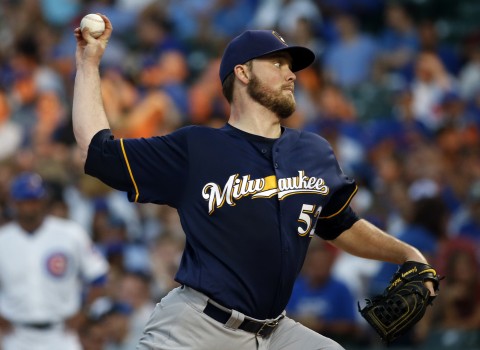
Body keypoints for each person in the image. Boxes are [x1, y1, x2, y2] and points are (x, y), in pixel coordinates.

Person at [73, 15, 437, 350]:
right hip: (197, 326)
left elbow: (339, 224)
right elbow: (97, 151)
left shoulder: (313, 151)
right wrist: (88, 63)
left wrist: (407, 254)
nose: (291, 74)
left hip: (275, 332)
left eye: (291, 67)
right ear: (243, 73)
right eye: (277, 64)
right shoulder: (197, 148)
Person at [0, 172, 110, 350]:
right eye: (25, 201)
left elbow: (98, 276)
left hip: (62, 334)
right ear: (14, 202)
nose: (30, 207)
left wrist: (84, 313)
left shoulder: (70, 233)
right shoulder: (3, 239)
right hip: (15, 335)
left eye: (34, 200)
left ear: (44, 201)